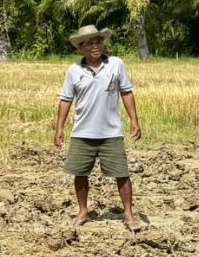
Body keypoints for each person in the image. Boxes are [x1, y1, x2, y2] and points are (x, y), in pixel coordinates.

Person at [53, 24, 145, 232]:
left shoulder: (116, 65)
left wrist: (134, 120)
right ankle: (83, 211)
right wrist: (59, 128)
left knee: (121, 173)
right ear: (81, 47)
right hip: (82, 132)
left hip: (111, 131)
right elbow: (66, 100)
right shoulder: (74, 71)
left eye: (99, 41)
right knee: (80, 173)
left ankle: (128, 214)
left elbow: (127, 92)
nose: (96, 46)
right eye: (90, 43)